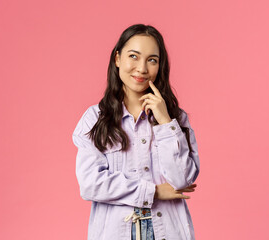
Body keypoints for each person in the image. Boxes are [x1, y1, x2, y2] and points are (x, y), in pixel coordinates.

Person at [72, 23, 200, 240]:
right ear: (117, 59)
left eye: (152, 60)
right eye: (133, 56)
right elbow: (91, 184)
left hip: (167, 232)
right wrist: (154, 191)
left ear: (160, 67)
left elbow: (182, 180)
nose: (141, 68)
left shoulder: (175, 118)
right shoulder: (95, 119)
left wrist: (164, 122)